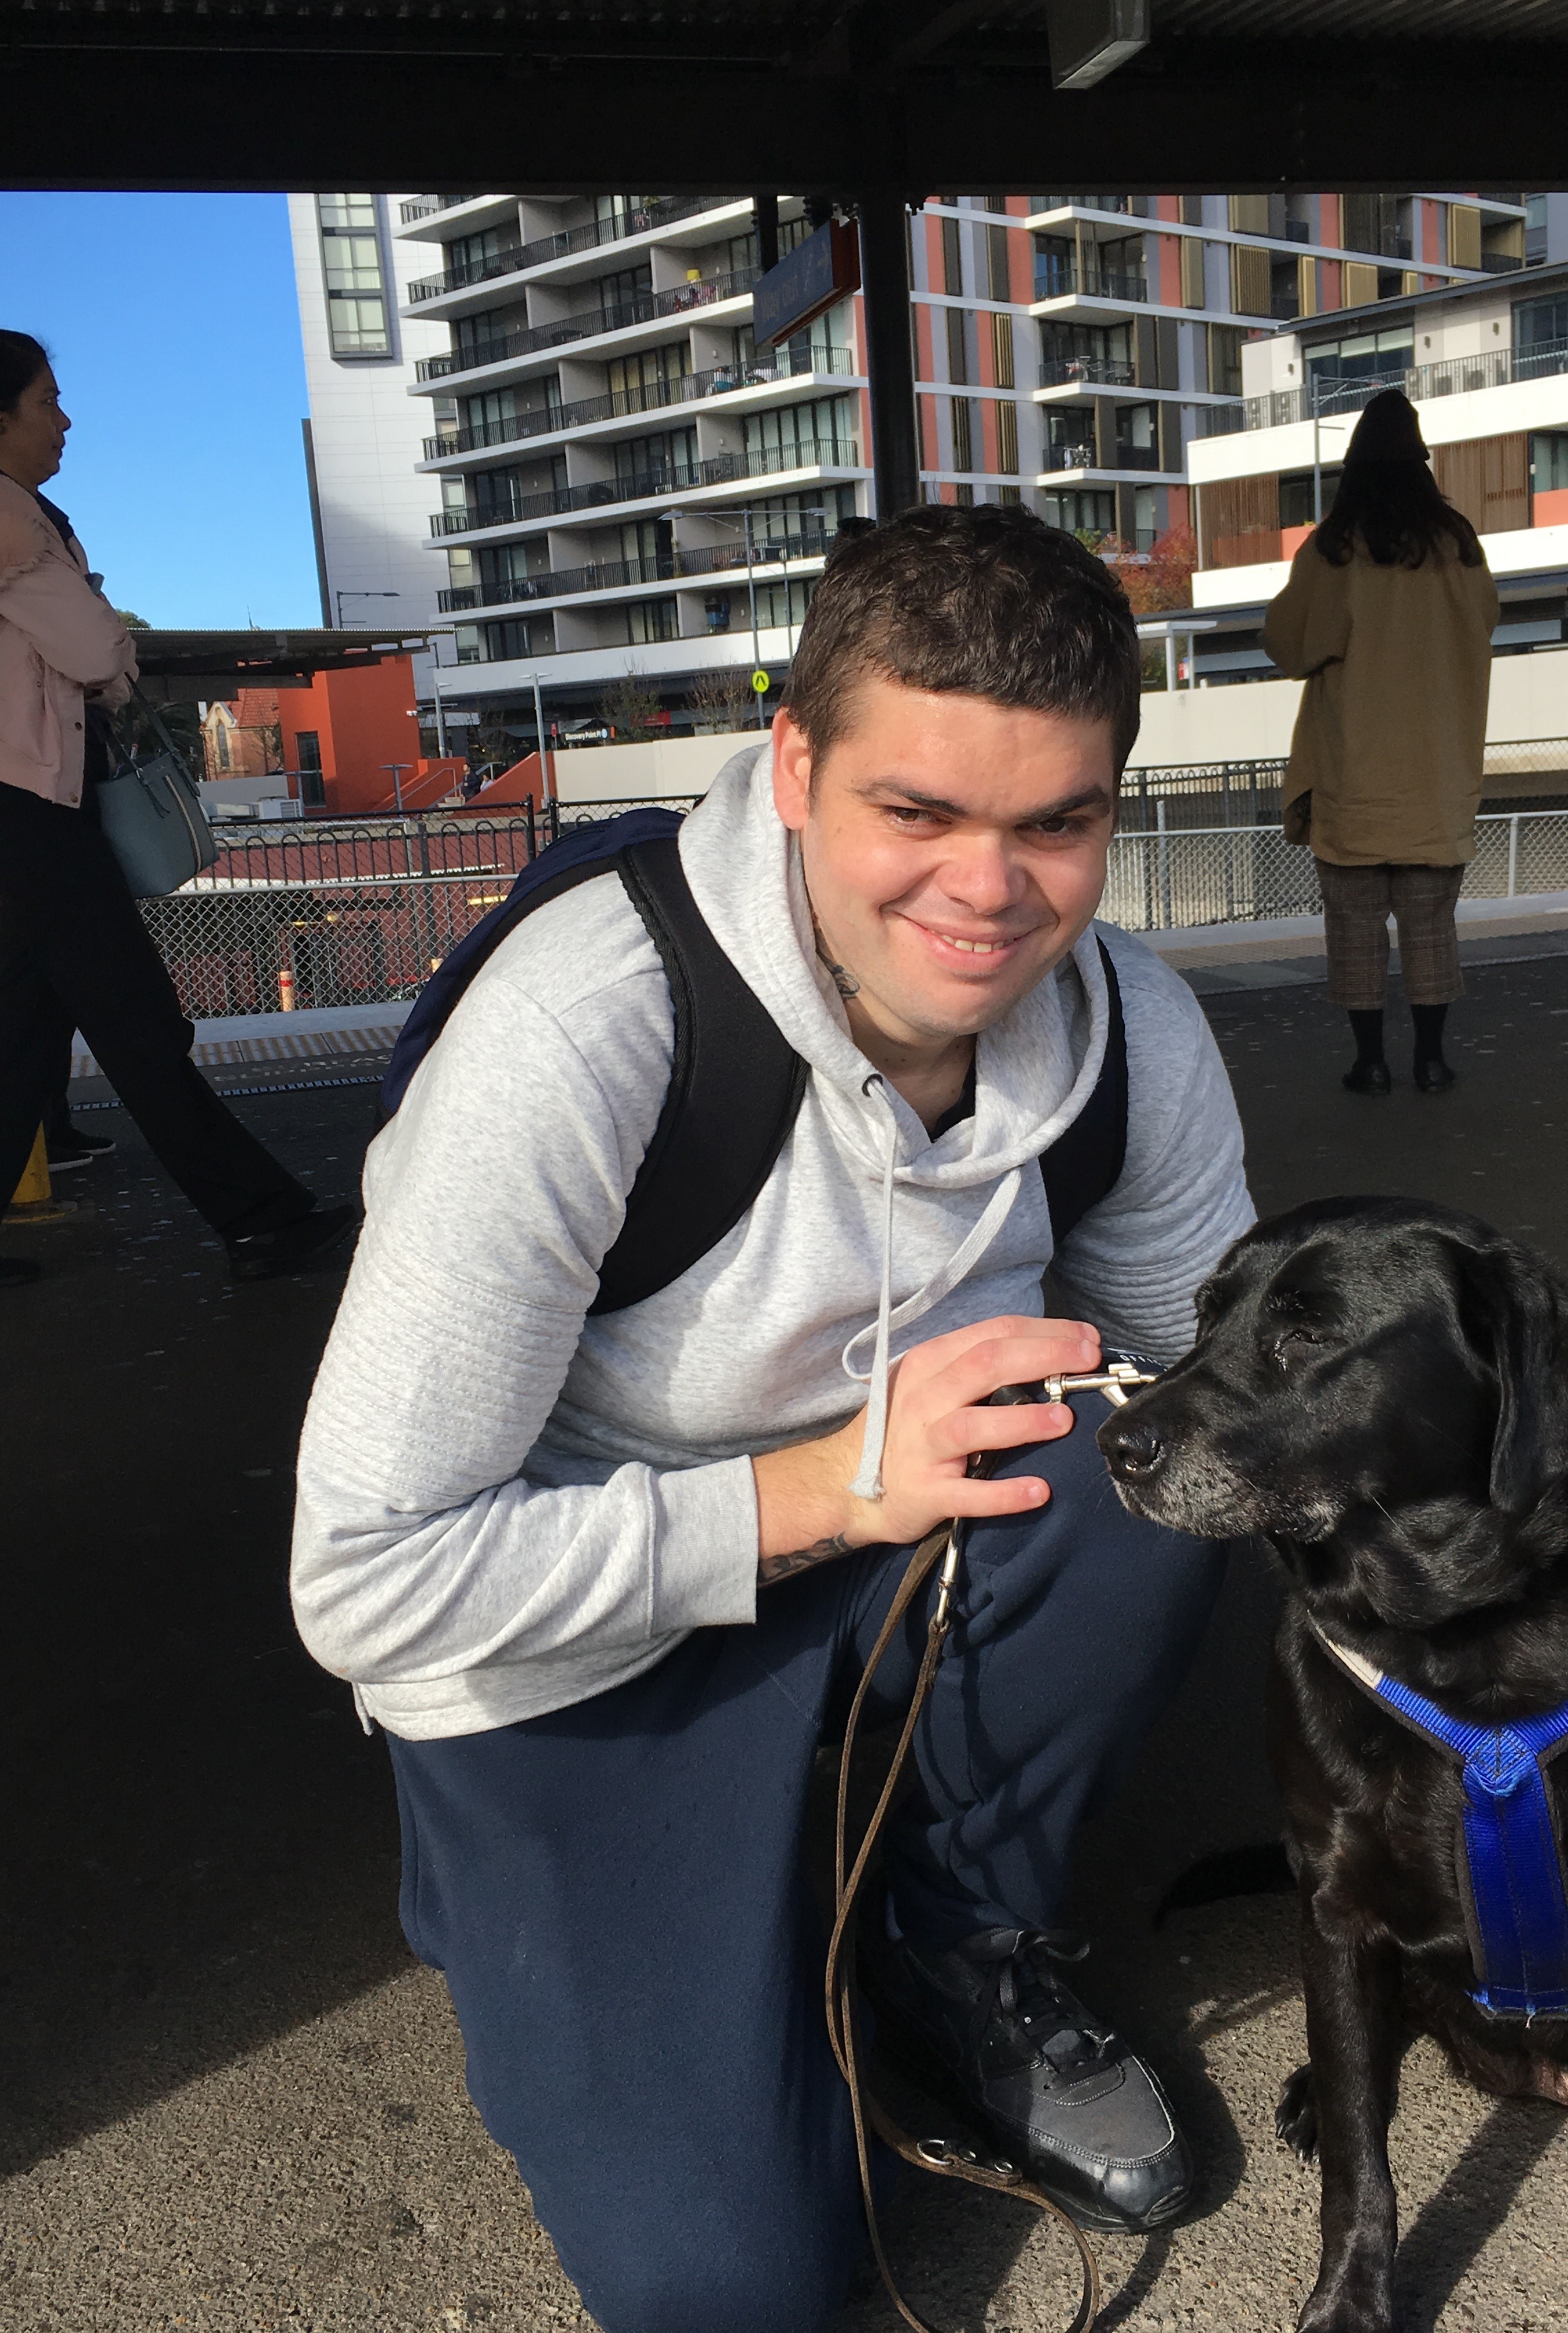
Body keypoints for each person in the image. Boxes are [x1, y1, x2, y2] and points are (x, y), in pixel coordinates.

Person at [292, 504, 1255, 2333]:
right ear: (797, 768)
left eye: (1056, 823)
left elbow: (1226, 1384)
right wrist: (820, 1488)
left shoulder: (1132, 1020)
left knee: (1161, 1474)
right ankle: (529, 1889)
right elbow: (367, 1581)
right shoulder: (589, 1027)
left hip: (894, 1542)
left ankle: (954, 1930)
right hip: (572, 1622)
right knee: (736, 2285)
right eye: (922, 813)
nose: (991, 894)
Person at [0, 330, 357, 1286]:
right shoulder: (9, 518)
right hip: (30, 815)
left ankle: (260, 1217)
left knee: (23, 1036)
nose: (63, 419)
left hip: (22, 814)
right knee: (137, 1024)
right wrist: (108, 638)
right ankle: (259, 1219)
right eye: (45, 401)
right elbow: (95, 655)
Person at [1264, 388, 1499, 1096]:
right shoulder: (1458, 546)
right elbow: (1485, 624)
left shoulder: (1336, 550)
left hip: (1353, 779)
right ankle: (1431, 1058)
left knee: (1356, 933)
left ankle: (1370, 1063)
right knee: (1432, 930)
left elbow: (1289, 644)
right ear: (1422, 465)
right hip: (1436, 779)